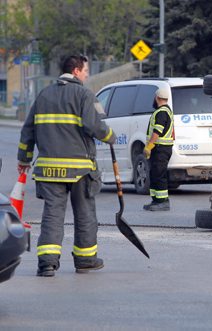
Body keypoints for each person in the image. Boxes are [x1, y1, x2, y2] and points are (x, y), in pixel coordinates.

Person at [17, 55, 116, 277]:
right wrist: (110, 136)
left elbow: (28, 131)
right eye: (86, 71)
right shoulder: (83, 94)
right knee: (85, 213)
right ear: (76, 71)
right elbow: (94, 126)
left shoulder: (43, 95)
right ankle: (85, 260)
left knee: (52, 214)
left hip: (48, 169)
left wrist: (24, 159)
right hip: (80, 169)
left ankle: (47, 264)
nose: (87, 75)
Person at [142, 87, 174, 211]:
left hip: (161, 149)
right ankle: (156, 200)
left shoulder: (161, 112)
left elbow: (157, 132)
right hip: (160, 149)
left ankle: (163, 202)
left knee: (159, 175)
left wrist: (149, 146)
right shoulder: (165, 111)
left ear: (157, 98)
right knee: (155, 174)